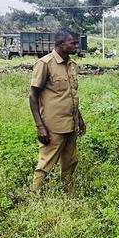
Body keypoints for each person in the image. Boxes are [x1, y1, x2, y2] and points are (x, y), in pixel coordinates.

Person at [29, 29, 86, 193]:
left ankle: (68, 192)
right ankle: (35, 196)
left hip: (71, 123)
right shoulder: (45, 64)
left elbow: (72, 95)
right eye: (73, 43)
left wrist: (80, 119)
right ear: (61, 44)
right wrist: (40, 126)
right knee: (46, 163)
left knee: (70, 161)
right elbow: (33, 96)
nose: (76, 46)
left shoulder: (71, 65)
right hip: (53, 125)